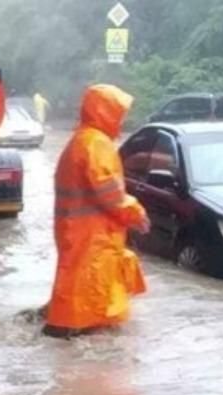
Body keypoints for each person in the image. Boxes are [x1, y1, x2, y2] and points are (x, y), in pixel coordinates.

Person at [44, 84, 149, 338]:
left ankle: (61, 328)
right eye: (118, 112)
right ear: (105, 112)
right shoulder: (96, 145)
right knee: (90, 297)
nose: (122, 119)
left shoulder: (81, 141)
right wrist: (136, 213)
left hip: (79, 234)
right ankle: (68, 333)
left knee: (76, 290)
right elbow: (111, 195)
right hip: (93, 238)